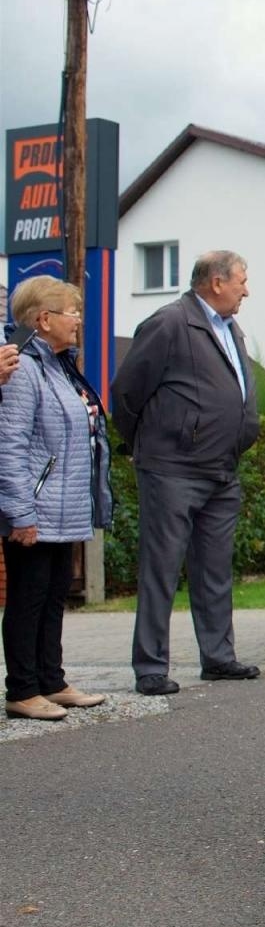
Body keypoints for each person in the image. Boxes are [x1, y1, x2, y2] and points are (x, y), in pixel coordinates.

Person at [111, 250, 262, 696]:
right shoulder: (170, 322)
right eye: (242, 280)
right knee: (161, 568)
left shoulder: (229, 328)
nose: (246, 290)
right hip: (173, 468)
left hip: (221, 469)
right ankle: (151, 667)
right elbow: (127, 392)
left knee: (215, 569)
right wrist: (150, 443)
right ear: (216, 282)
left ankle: (217, 657)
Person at [0, 277, 111, 721]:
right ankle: (22, 689)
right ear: (43, 320)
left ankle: (52, 680)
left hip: (63, 508)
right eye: (71, 312)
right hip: (37, 509)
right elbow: (11, 444)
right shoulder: (23, 368)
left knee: (52, 595)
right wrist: (21, 511)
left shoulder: (60, 366)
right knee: (27, 598)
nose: (78, 319)